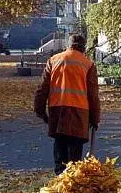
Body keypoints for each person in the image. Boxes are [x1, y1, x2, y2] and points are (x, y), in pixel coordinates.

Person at [34, 34, 100, 174]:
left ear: (68, 45)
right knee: (75, 154)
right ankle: (73, 183)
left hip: (58, 110)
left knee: (60, 144)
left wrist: (40, 110)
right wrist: (95, 118)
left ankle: (59, 179)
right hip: (79, 113)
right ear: (84, 47)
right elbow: (93, 95)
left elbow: (42, 88)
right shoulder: (88, 64)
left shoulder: (54, 60)